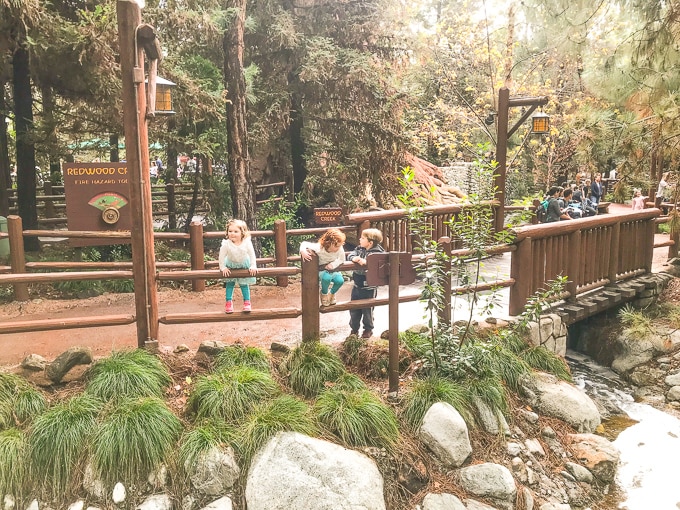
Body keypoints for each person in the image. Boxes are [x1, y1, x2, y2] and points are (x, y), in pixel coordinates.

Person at [346, 228, 384, 338]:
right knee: (354, 308)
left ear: (370, 242)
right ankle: (354, 329)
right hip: (357, 285)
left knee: (367, 309)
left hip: (369, 286)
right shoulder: (359, 249)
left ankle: (368, 329)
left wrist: (367, 262)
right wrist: (354, 258)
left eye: (362, 238)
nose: (359, 239)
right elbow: (350, 255)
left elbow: (381, 261)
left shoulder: (378, 252)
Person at [300, 228, 346, 306]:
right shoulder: (319, 247)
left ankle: (332, 293)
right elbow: (304, 243)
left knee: (340, 281)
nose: (338, 248)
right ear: (330, 243)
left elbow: (342, 259)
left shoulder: (340, 248)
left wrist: (333, 264)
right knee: (326, 278)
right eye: (336, 246)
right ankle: (324, 293)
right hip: (322, 270)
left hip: (333, 269)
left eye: (339, 246)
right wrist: (303, 251)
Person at [219, 219, 257, 313]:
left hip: (243, 263)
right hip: (231, 264)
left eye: (236, 231)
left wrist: (253, 266)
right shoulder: (226, 244)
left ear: (242, 232)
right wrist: (223, 267)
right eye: (230, 231)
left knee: (244, 284)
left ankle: (247, 302)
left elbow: (252, 254)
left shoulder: (246, 242)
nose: (232, 233)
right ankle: (228, 302)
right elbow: (221, 256)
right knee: (230, 283)